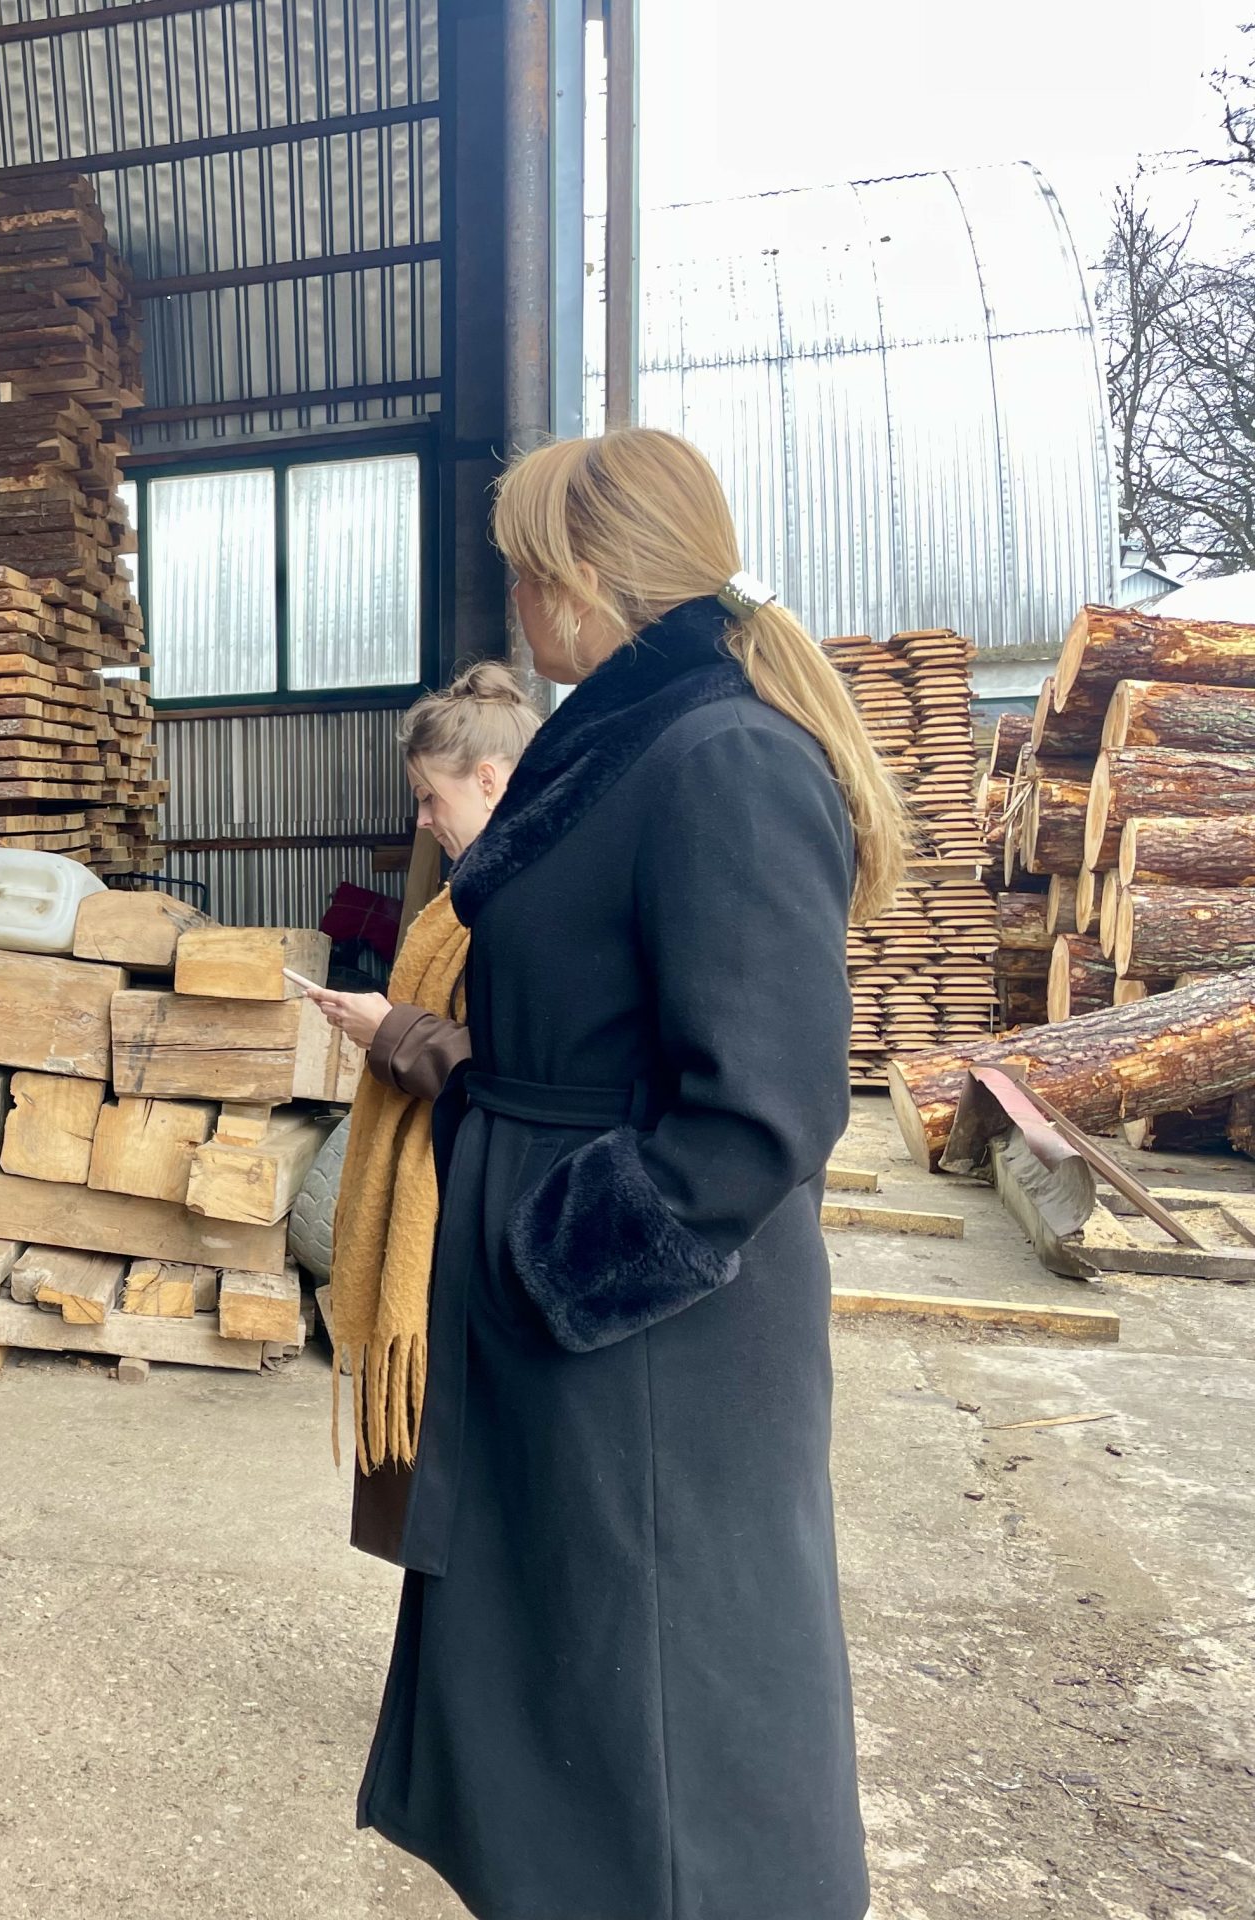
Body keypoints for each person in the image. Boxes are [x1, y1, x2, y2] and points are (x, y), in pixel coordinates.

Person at [349, 428, 901, 1920]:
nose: (515, 602)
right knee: (572, 1682)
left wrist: (559, 1259)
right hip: (571, 1306)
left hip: (645, 1334)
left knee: (668, 1689)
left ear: (587, 580)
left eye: (527, 572)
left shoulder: (724, 756)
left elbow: (762, 1107)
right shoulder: (625, 739)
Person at [302, 662, 540, 1562]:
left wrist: (393, 1031)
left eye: (430, 797)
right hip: (449, 1178)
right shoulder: (468, 893)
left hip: (475, 1198)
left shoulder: (528, 900)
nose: (423, 819)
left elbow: (520, 1067)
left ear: (490, 780)